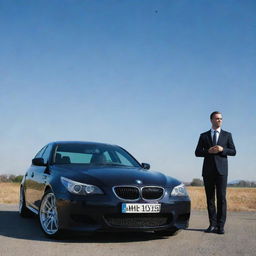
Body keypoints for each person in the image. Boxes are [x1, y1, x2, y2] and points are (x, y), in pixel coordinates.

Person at [195, 111, 236, 234]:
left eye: (221, 119)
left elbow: (233, 151)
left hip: (222, 171)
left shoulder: (227, 135)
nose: (219, 120)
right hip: (208, 171)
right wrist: (208, 151)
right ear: (211, 120)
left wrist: (223, 149)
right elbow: (197, 152)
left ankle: (220, 226)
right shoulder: (204, 136)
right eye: (217, 118)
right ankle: (212, 225)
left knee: (221, 198)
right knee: (210, 199)